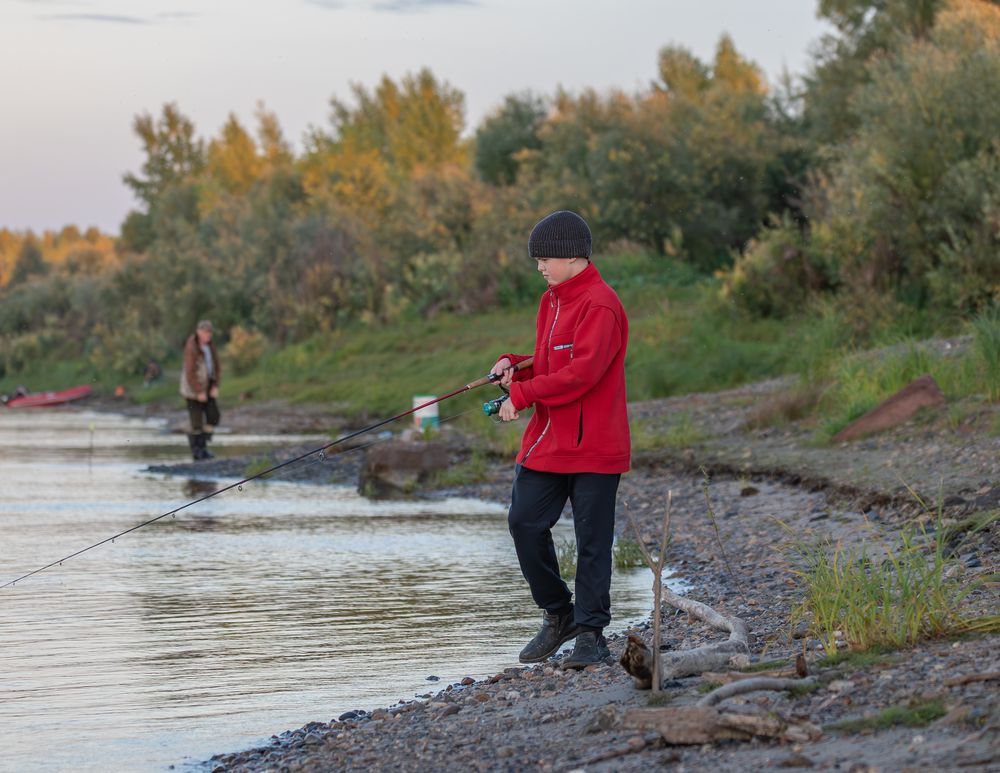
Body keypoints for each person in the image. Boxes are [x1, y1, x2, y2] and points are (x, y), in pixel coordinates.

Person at [491, 210, 630, 670]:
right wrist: (516, 366)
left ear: (574, 257)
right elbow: (552, 360)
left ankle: (591, 633)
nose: (539, 267)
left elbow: (583, 373)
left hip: (595, 445)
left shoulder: (602, 304)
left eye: (545, 259)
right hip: (548, 443)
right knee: (524, 523)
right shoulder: (551, 299)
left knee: (593, 541)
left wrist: (524, 393)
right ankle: (559, 614)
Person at [180, 320, 221, 461]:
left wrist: (215, 385)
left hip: (208, 386)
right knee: (196, 421)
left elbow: (216, 366)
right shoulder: (192, 347)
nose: (208, 334)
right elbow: (189, 373)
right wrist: (198, 392)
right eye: (205, 332)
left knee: (213, 416)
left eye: (210, 332)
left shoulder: (211, 346)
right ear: (199, 332)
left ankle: (203, 447)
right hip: (192, 390)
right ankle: (197, 451)